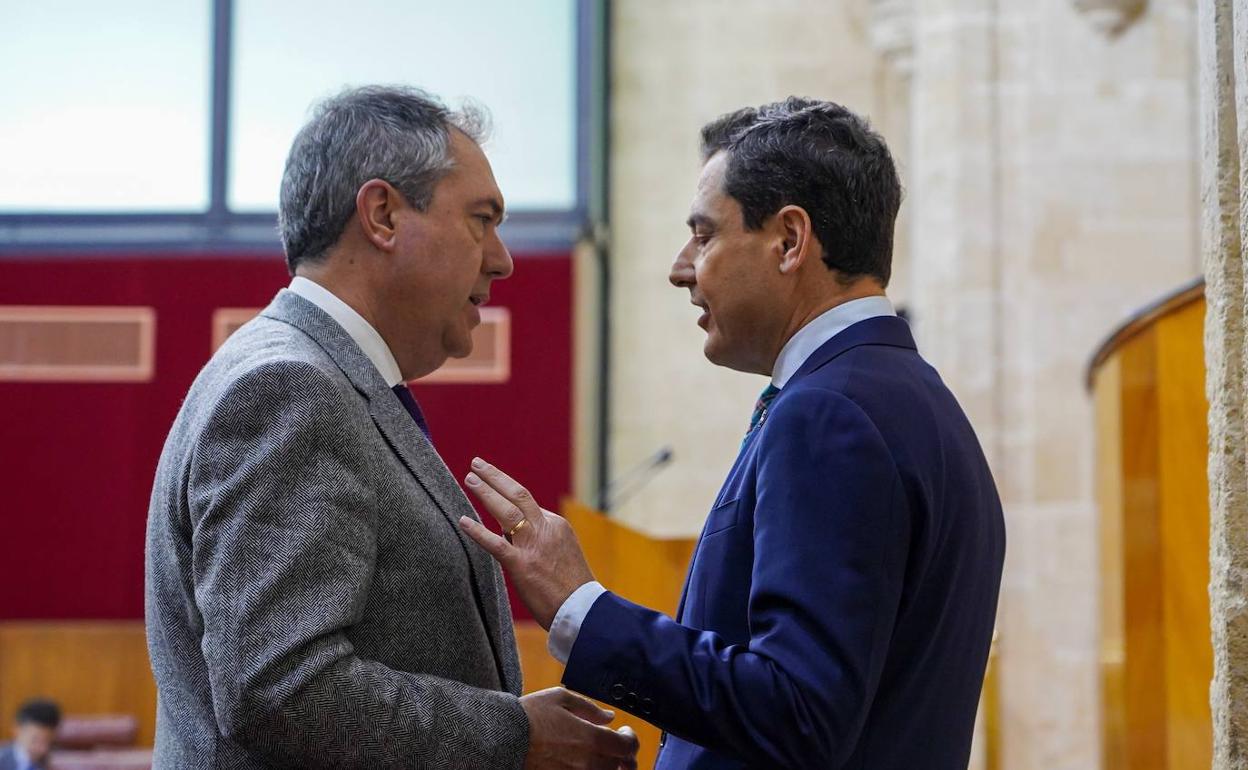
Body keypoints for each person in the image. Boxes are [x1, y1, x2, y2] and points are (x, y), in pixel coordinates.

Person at [459, 97, 1007, 769]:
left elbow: (798, 713)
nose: (681, 267)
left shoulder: (830, 415)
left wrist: (584, 608)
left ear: (789, 240)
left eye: (705, 234)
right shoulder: (912, 399)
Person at [145, 85, 638, 769]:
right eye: (481, 219)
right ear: (381, 215)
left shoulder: (315, 376)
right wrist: (515, 736)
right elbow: (281, 688)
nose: (503, 259)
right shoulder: (290, 387)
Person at [0, 699, 60, 770]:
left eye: (47, 741)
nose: (42, 749)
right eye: (35, 740)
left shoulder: (54, 763)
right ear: (17, 730)